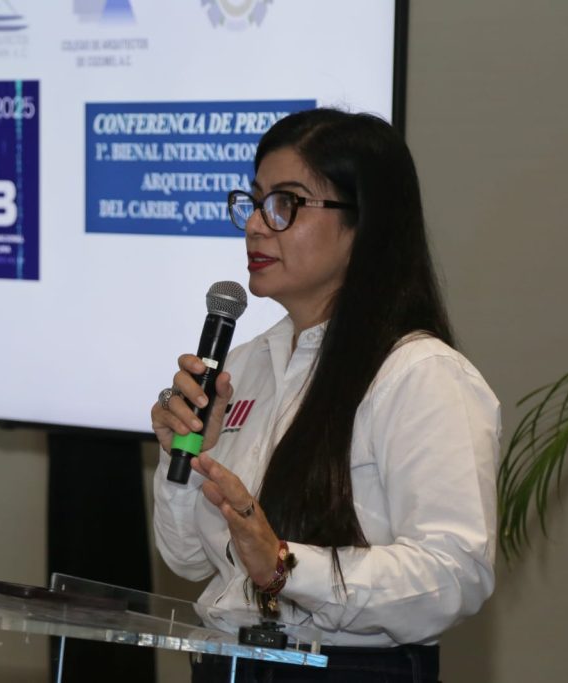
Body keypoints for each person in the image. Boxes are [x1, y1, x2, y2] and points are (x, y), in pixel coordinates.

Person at [150, 108, 500, 683]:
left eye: (284, 204)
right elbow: (187, 558)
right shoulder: (245, 365)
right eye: (254, 202)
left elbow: (454, 575)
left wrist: (284, 567)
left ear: (364, 224)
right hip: (228, 665)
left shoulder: (420, 375)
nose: (255, 225)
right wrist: (182, 455)